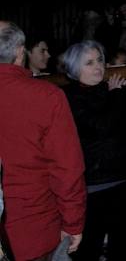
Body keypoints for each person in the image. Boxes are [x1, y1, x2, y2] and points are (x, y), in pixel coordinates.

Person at [0, 21, 86, 260]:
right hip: (32, 230)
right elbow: (67, 168)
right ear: (20, 52)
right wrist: (73, 223)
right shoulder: (46, 96)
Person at [61, 41, 126, 261]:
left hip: (123, 180)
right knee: (88, 249)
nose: (98, 66)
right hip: (94, 187)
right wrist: (117, 94)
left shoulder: (109, 88)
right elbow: (101, 127)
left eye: (100, 60)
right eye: (89, 63)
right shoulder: (69, 97)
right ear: (74, 68)